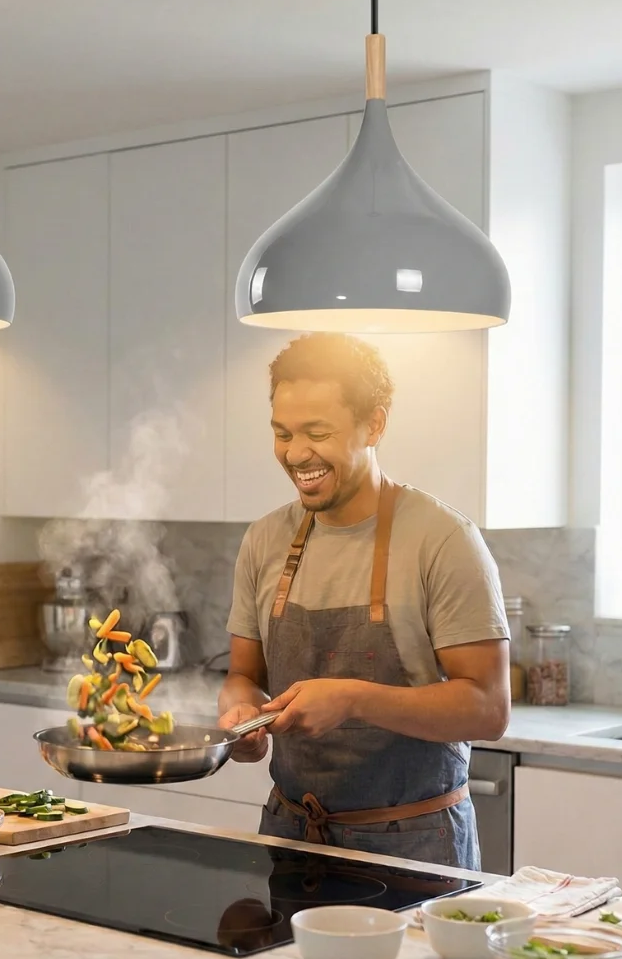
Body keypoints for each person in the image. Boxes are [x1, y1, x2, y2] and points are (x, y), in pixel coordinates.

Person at [217, 332, 510, 870]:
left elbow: (489, 710)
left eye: (317, 432)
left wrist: (352, 699)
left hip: (415, 846)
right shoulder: (264, 540)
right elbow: (243, 674)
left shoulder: (442, 539)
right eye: (282, 433)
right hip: (290, 836)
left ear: (374, 424)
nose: (295, 453)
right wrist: (239, 718)